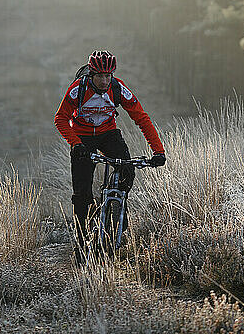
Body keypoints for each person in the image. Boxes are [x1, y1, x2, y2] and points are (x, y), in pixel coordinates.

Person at [54, 50, 166, 263]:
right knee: (81, 196)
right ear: (91, 74)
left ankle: (118, 210)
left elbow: (141, 118)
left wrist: (158, 151)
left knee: (127, 170)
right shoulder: (77, 90)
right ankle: (81, 243)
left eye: (109, 75)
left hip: (108, 134)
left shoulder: (117, 88)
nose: (105, 80)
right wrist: (75, 143)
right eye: (100, 76)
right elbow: (60, 119)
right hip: (83, 137)